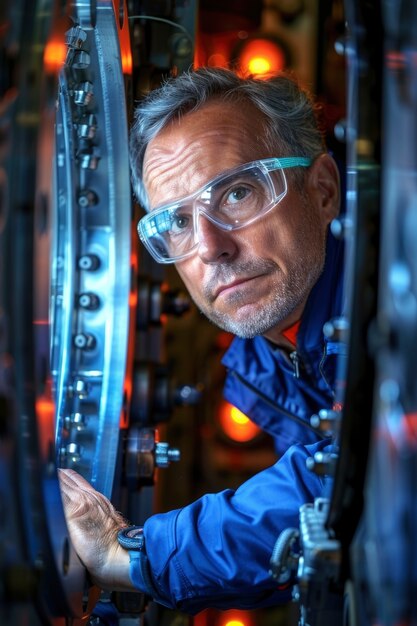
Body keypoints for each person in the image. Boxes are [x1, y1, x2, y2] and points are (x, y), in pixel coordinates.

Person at [59, 66, 343, 614]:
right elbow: (312, 543)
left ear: (323, 190)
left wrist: (133, 556)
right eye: (177, 222)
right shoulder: (278, 359)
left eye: (236, 193)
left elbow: (357, 482)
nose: (210, 247)